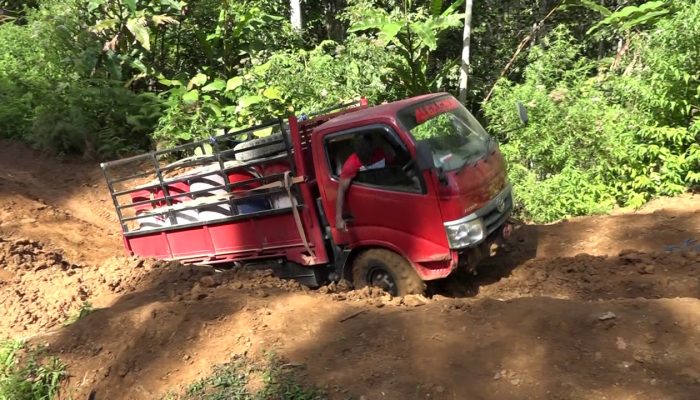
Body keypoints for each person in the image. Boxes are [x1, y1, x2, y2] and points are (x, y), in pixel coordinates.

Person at [335, 134, 391, 232]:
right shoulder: (351, 164)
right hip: (369, 203)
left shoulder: (380, 154)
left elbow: (393, 167)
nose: (367, 160)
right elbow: (341, 189)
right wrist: (339, 218)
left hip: (387, 193)